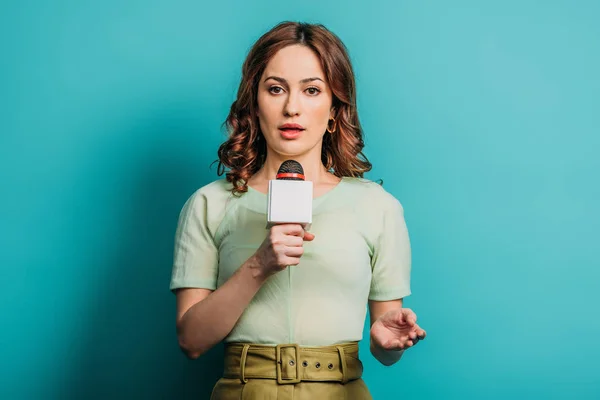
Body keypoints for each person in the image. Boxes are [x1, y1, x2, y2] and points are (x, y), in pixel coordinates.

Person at [170, 21, 426, 399]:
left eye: (311, 90)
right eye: (276, 89)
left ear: (335, 107)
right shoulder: (209, 204)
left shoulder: (377, 207)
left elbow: (384, 348)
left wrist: (388, 342)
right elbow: (191, 340)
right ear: (254, 104)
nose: (292, 107)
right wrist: (259, 266)